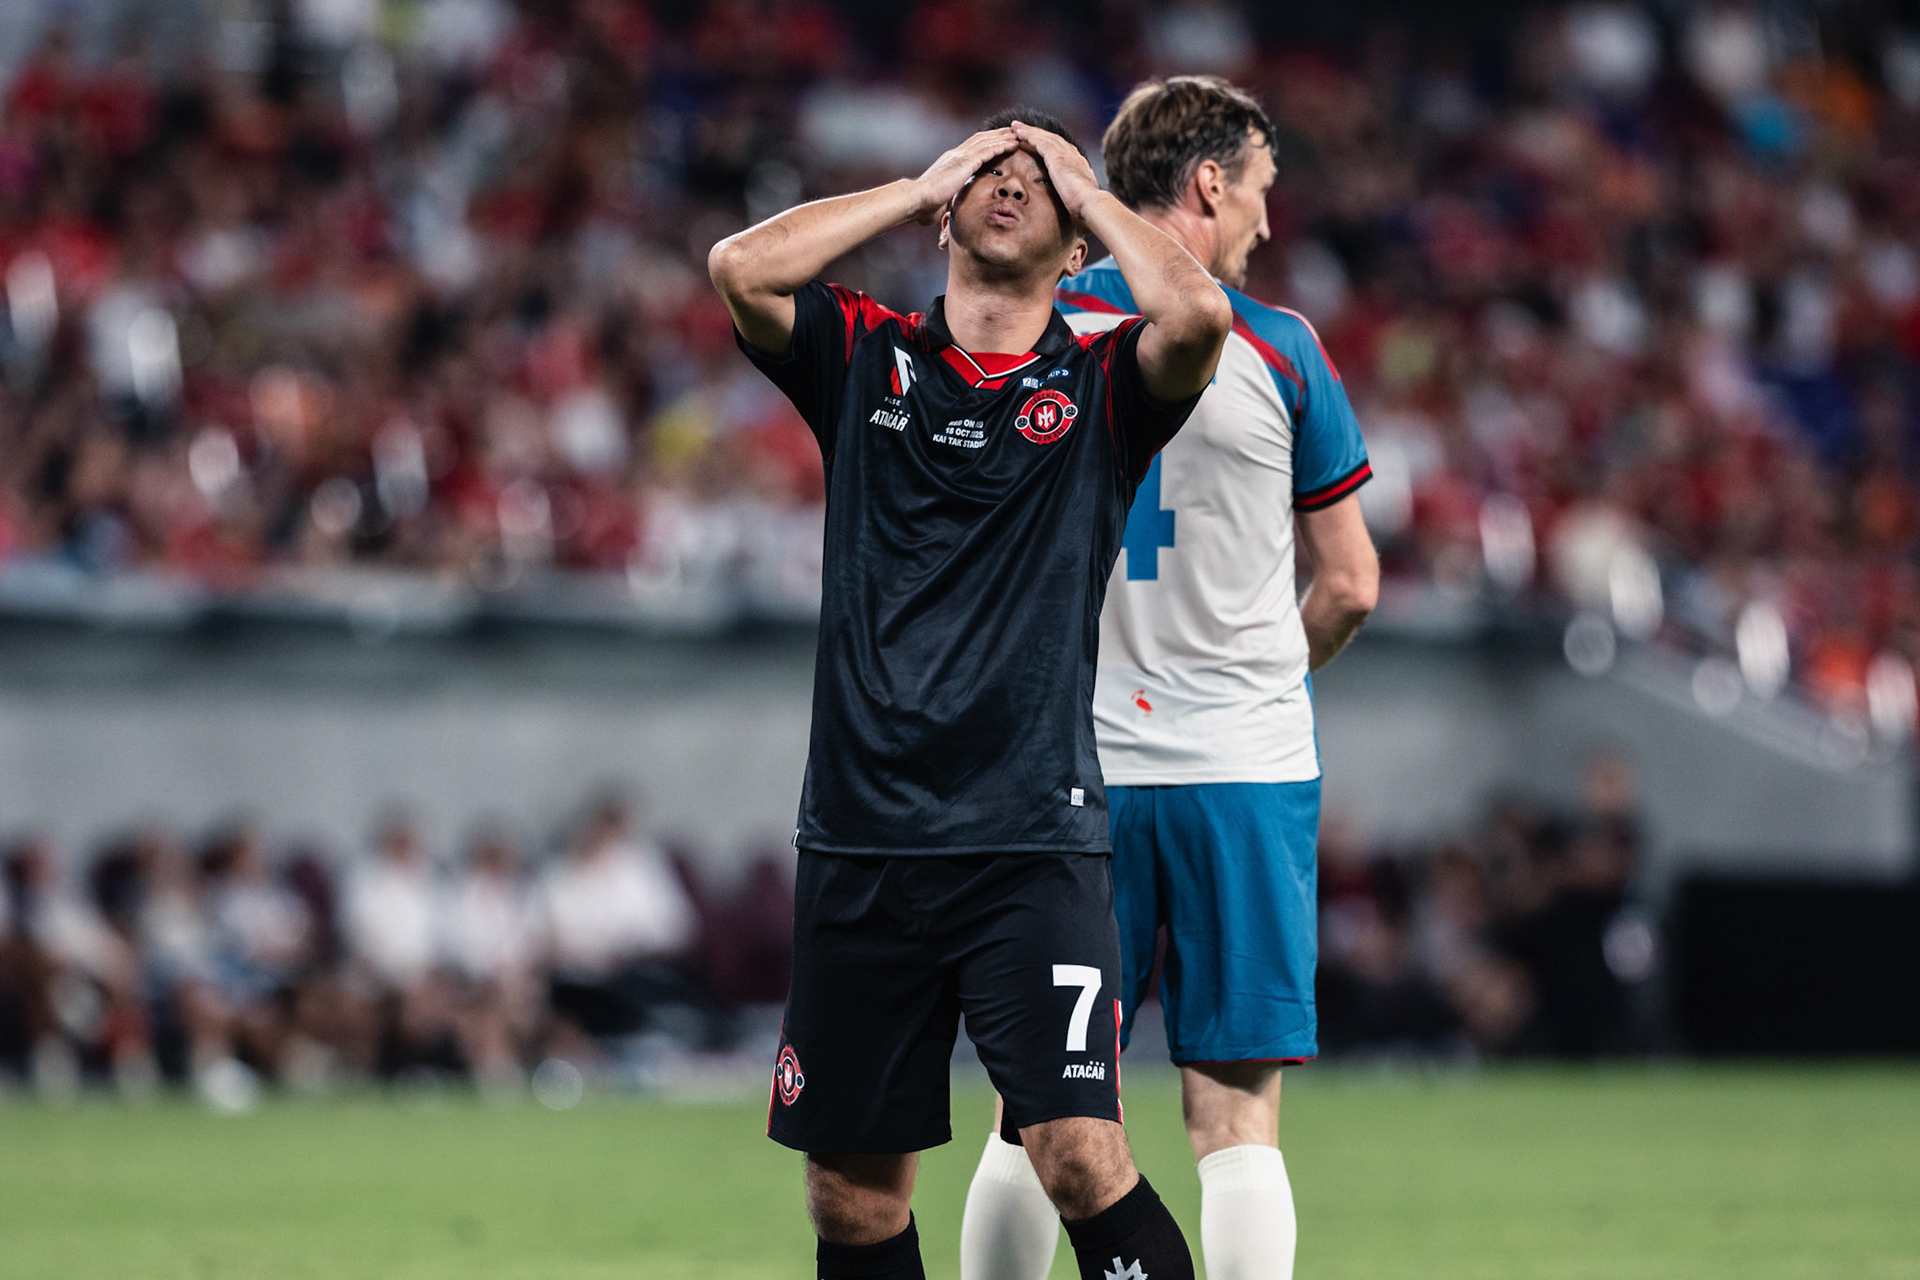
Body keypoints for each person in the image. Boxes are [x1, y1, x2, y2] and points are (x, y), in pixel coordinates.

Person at [709, 105, 1231, 1280]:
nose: (1013, 179)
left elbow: (1197, 313)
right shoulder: (864, 354)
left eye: (1039, 175)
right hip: (862, 836)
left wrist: (1089, 193)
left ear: (1078, 239)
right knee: (849, 1192)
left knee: (1080, 1154)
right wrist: (911, 188)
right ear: (951, 201)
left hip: (1028, 841)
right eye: (991, 165)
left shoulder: (1103, 388)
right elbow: (740, 269)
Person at [959, 78, 1379, 1280]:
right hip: (1241, 773)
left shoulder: (1028, 325)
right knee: (1234, 1120)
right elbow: (1348, 583)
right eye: (1257, 188)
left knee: (1032, 1111)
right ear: (1205, 181)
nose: (1264, 216)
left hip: (1066, 776)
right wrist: (1256, 680)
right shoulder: (1280, 349)